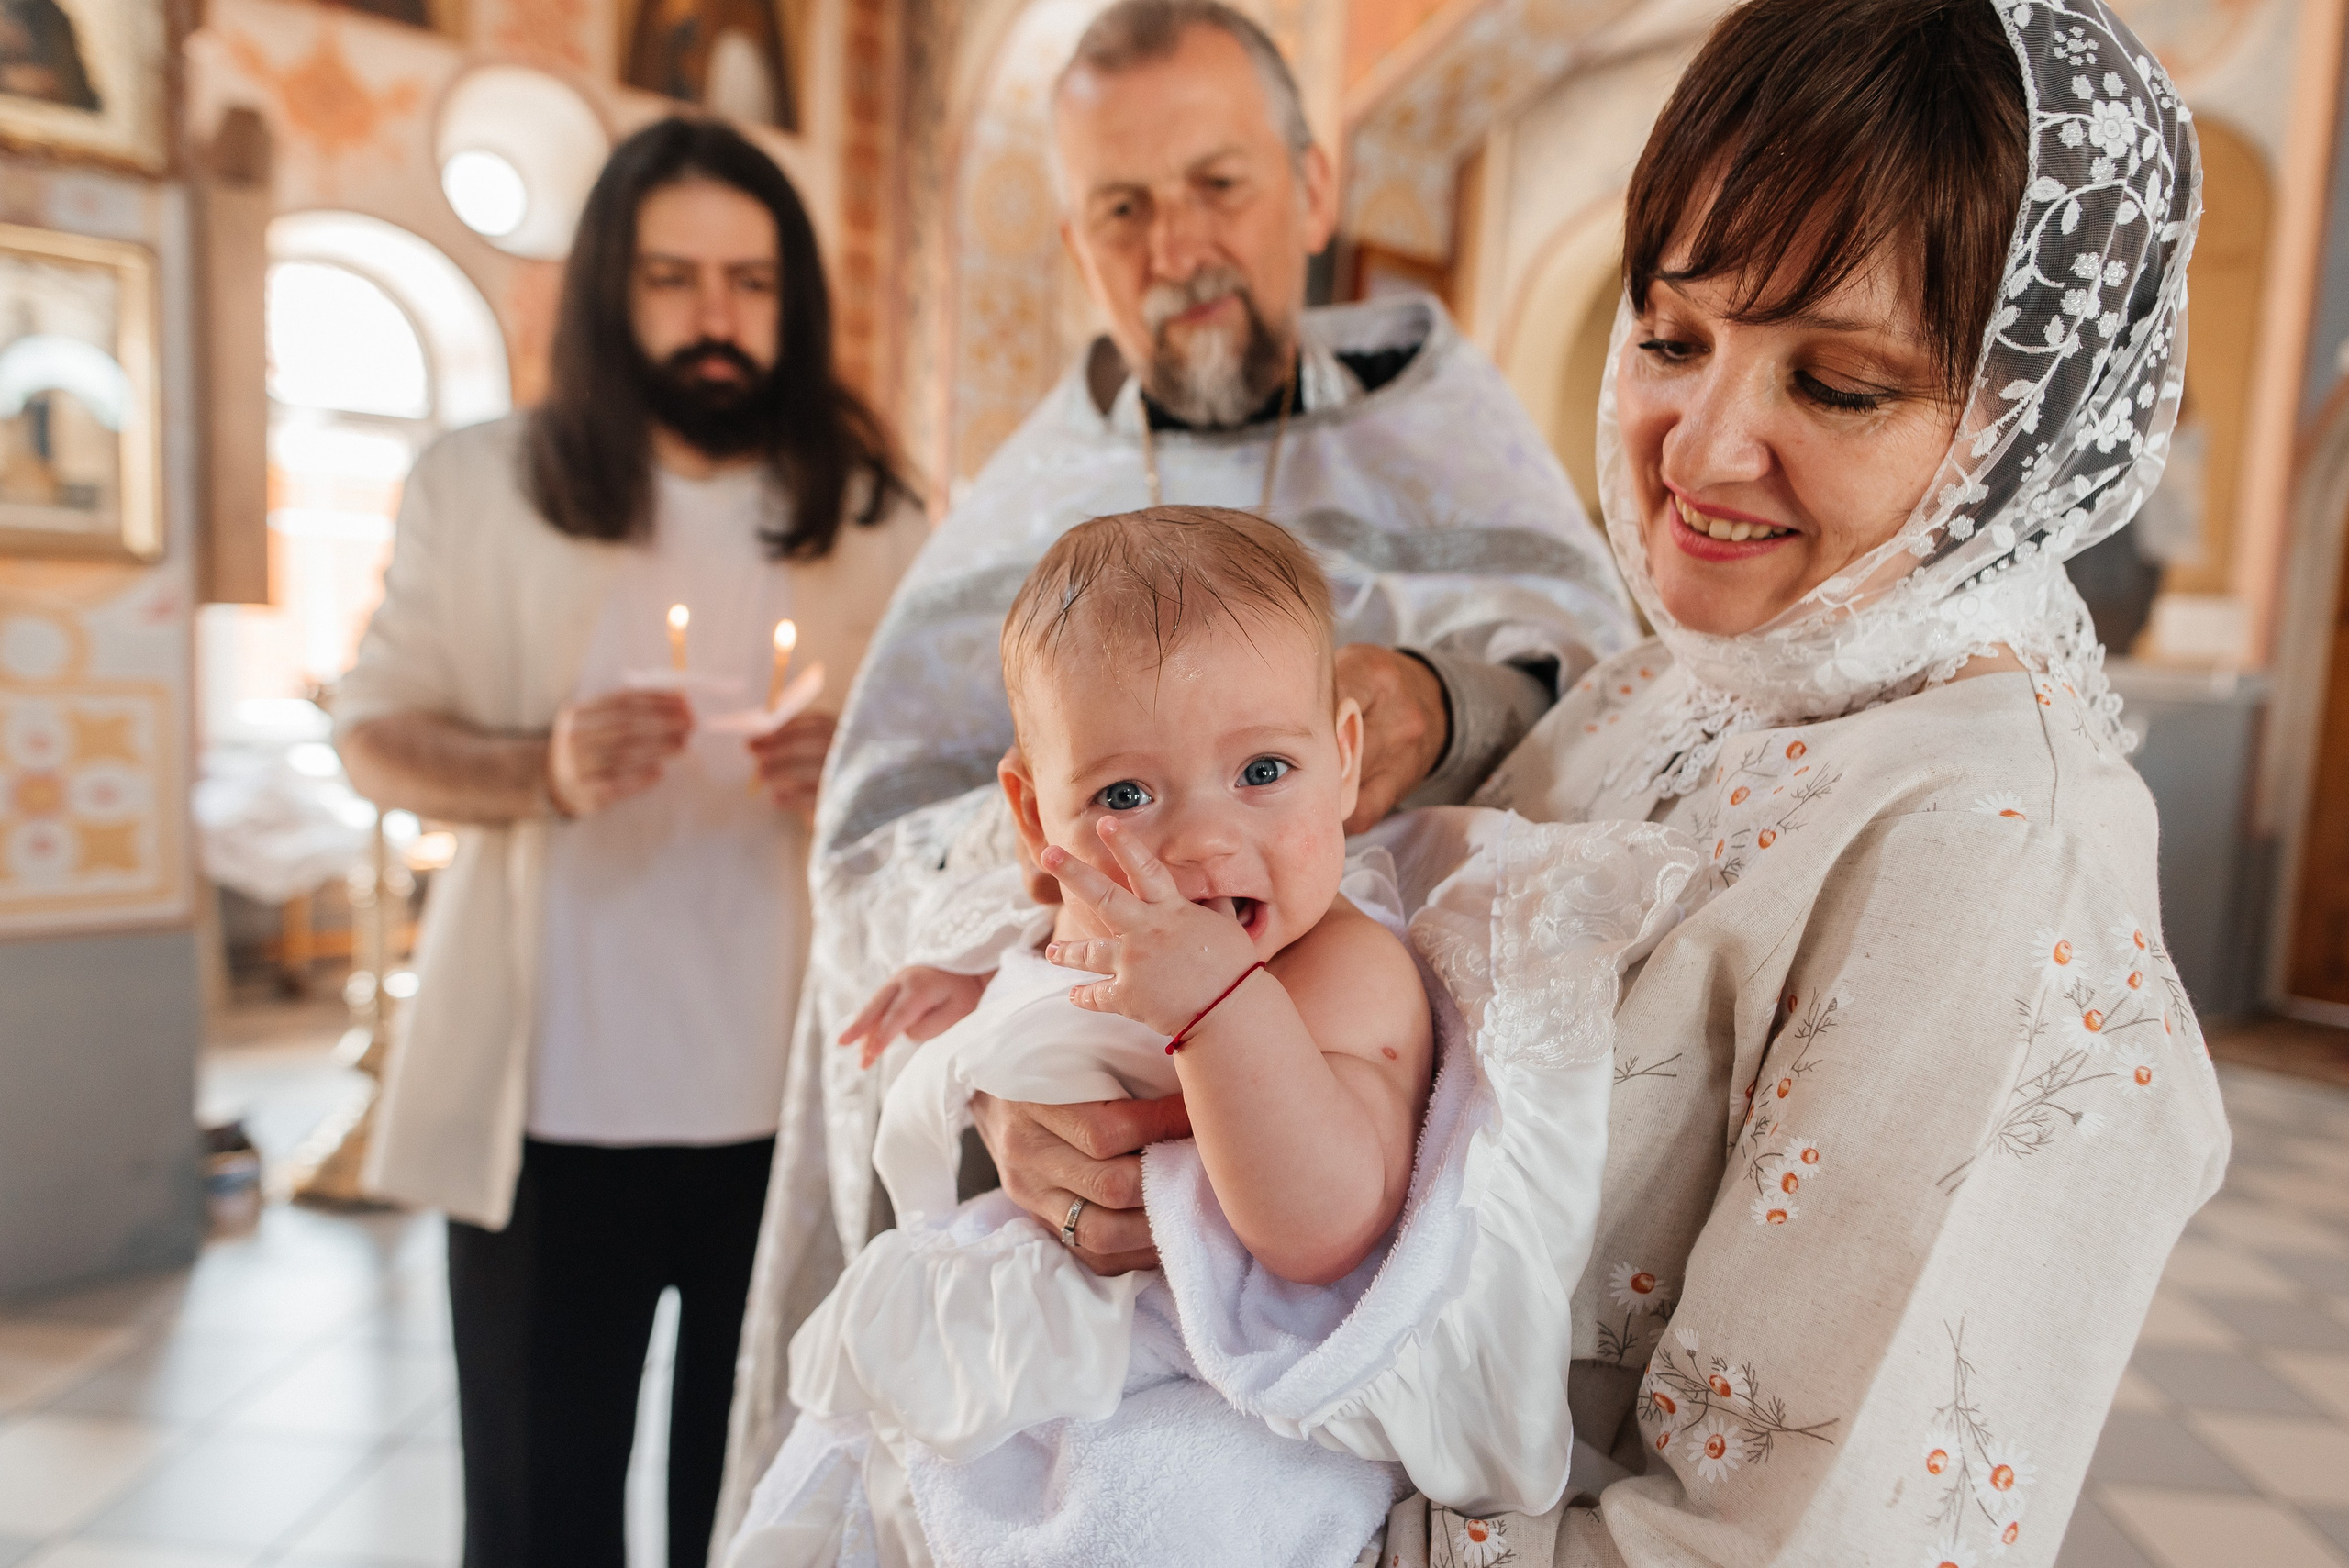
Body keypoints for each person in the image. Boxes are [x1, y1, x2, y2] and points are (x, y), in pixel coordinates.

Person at [963, 0, 2232, 1562]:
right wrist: (1069, 1114)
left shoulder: (1999, 856)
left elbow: (1771, 1543)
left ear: (2024, 424)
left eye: (1838, 384)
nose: (1700, 449)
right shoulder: (1680, 678)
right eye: (1674, 340)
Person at [719, 0, 1639, 1521]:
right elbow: (881, 841)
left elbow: (1615, 704)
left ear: (1313, 188)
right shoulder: (1030, 501)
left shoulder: (1447, 431)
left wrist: (1444, 699)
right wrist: (1000, 1095)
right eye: (1123, 210)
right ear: (1074, 242)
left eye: (1218, 185)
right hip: (1055, 1281)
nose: (1178, 248)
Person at [333, 118, 928, 1568]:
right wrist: (536, 765)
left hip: (791, 1121)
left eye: (751, 282)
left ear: (796, 302)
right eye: (674, 278)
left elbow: (971, 784)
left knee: (761, 1520)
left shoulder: (876, 514)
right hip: (545, 1119)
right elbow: (373, 733)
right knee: (537, 1520)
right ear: (609, 289)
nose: (716, 318)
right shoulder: (480, 485)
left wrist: (860, 777)